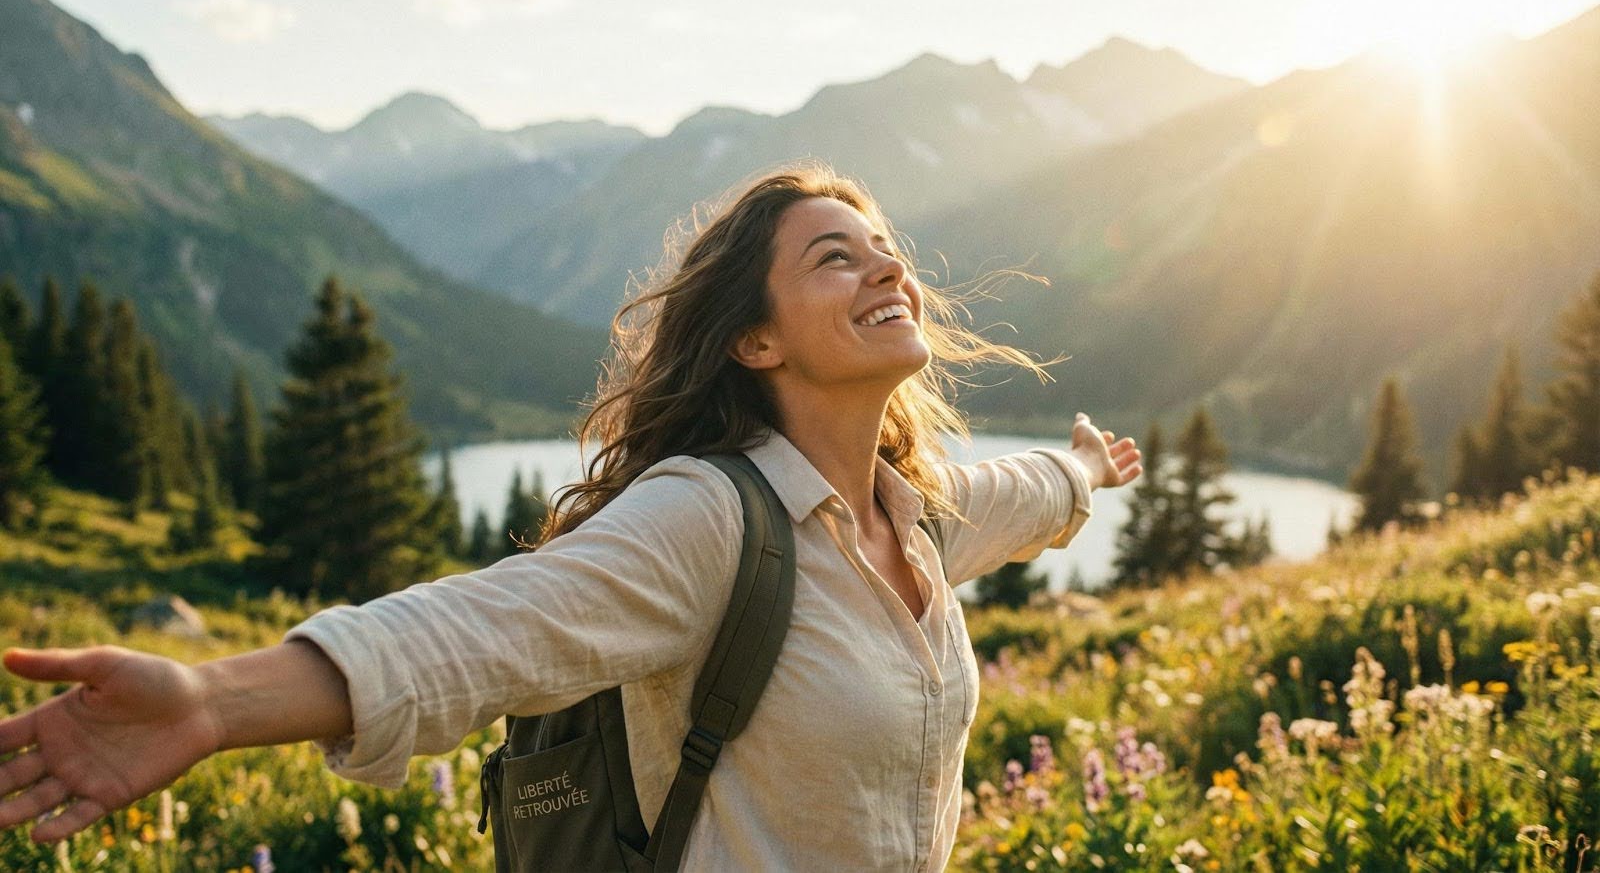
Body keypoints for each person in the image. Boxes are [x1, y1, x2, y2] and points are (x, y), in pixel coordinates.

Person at [0, 162, 1141, 869]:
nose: (885, 269)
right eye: (835, 259)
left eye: (886, 250)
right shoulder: (709, 519)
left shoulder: (921, 516)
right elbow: (485, 631)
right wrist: (209, 696)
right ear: (757, 339)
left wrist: (1085, 469)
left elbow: (1023, 496)